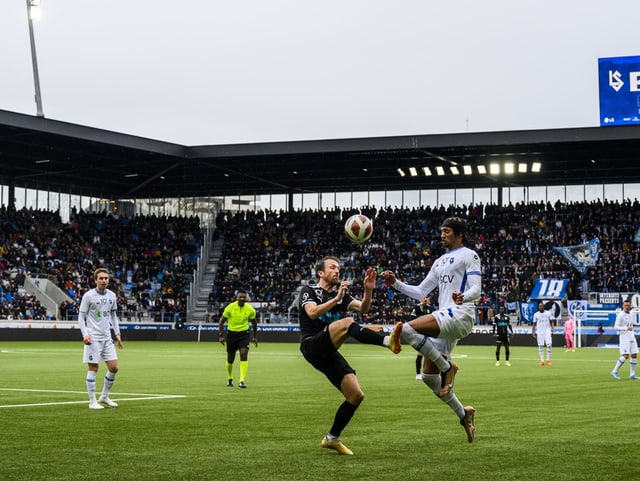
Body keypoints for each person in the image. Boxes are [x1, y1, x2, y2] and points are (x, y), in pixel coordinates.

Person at [381, 216, 480, 443]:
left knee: (404, 329)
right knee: (428, 376)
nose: (442, 235)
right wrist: (395, 283)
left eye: (446, 231)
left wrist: (463, 297)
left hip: (460, 315)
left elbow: (477, 289)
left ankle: (448, 368)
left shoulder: (469, 255)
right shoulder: (439, 262)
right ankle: (464, 415)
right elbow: (420, 291)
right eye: (442, 231)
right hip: (445, 318)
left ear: (459, 234)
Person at [298, 256, 401, 456]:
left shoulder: (342, 296)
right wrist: (336, 299)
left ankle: (332, 438)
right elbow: (311, 313)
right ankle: (388, 341)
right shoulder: (309, 291)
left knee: (356, 395)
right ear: (320, 272)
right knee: (346, 322)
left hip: (328, 351)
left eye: (338, 268)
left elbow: (364, 308)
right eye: (332, 267)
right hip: (311, 345)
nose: (337, 271)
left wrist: (368, 289)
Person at [78, 268, 123, 409]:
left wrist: (117, 334)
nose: (104, 281)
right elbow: (81, 316)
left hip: (107, 337)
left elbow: (113, 316)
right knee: (94, 367)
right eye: (101, 278)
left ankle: (104, 396)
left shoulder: (111, 296)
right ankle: (92, 401)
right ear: (95, 280)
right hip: (93, 337)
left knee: (114, 368)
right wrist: (85, 334)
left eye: (106, 278)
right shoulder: (88, 296)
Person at [218, 290, 258, 388]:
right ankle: (230, 378)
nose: (242, 299)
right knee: (230, 359)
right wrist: (221, 335)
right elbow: (221, 321)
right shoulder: (230, 307)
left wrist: (255, 337)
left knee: (243, 354)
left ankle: (241, 381)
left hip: (244, 334)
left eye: (244, 297)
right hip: (231, 334)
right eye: (240, 297)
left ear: (247, 299)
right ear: (237, 297)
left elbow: (254, 323)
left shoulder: (250, 309)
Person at [610, 299, 639, 380]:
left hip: (631, 336)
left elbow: (631, 324)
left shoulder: (632, 313)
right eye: (625, 305)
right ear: (623, 306)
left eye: (628, 305)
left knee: (634, 354)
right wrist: (625, 328)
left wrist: (630, 328)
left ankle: (632, 374)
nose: (626, 307)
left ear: (630, 306)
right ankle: (614, 371)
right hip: (624, 337)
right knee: (626, 355)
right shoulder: (620, 315)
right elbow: (616, 326)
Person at [412, 296, 433, 379]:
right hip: (420, 332)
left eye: (427, 298)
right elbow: (412, 319)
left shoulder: (430, 308)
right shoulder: (417, 307)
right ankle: (418, 374)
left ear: (429, 299)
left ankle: (426, 372)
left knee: (428, 354)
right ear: (421, 299)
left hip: (429, 332)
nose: (425, 299)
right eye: (424, 297)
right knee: (420, 352)